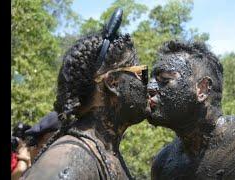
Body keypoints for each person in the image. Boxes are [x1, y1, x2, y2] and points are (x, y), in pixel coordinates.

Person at [22, 8, 149, 180]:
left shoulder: (104, 151)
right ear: (113, 83)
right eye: (141, 73)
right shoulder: (70, 161)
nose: (148, 84)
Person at [147, 40, 235, 180]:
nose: (150, 87)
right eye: (152, 80)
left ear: (202, 89)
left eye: (165, 79)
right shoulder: (163, 164)